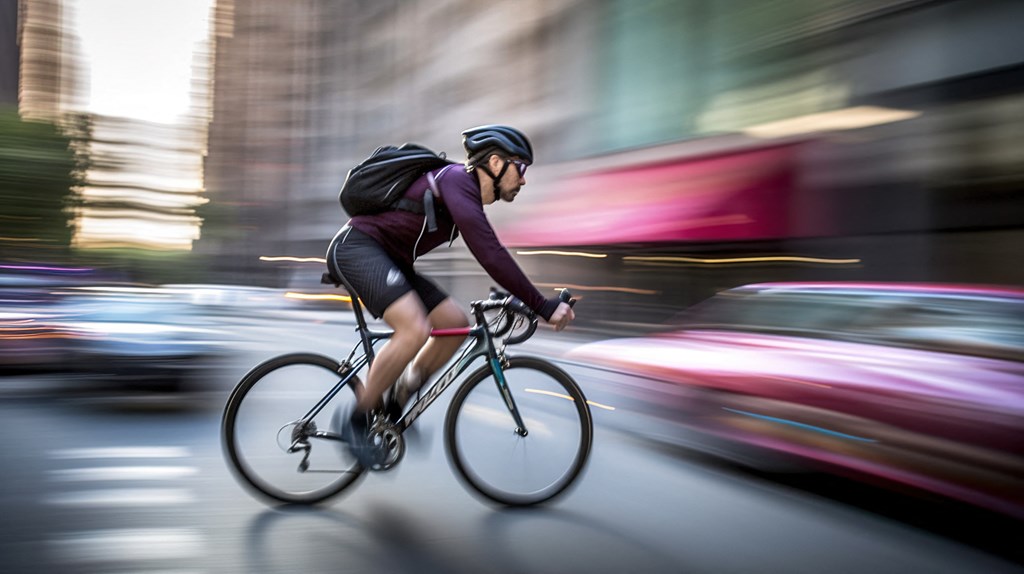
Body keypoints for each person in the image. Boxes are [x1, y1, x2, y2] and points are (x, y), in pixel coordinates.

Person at [327, 124, 575, 465]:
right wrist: (542, 305)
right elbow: (490, 253)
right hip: (357, 249)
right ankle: (355, 421)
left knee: (454, 323)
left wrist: (515, 299)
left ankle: (399, 398)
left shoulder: (462, 194)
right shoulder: (457, 180)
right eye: (521, 168)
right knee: (414, 328)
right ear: (496, 163)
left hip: (391, 260)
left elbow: (490, 254)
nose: (524, 179)